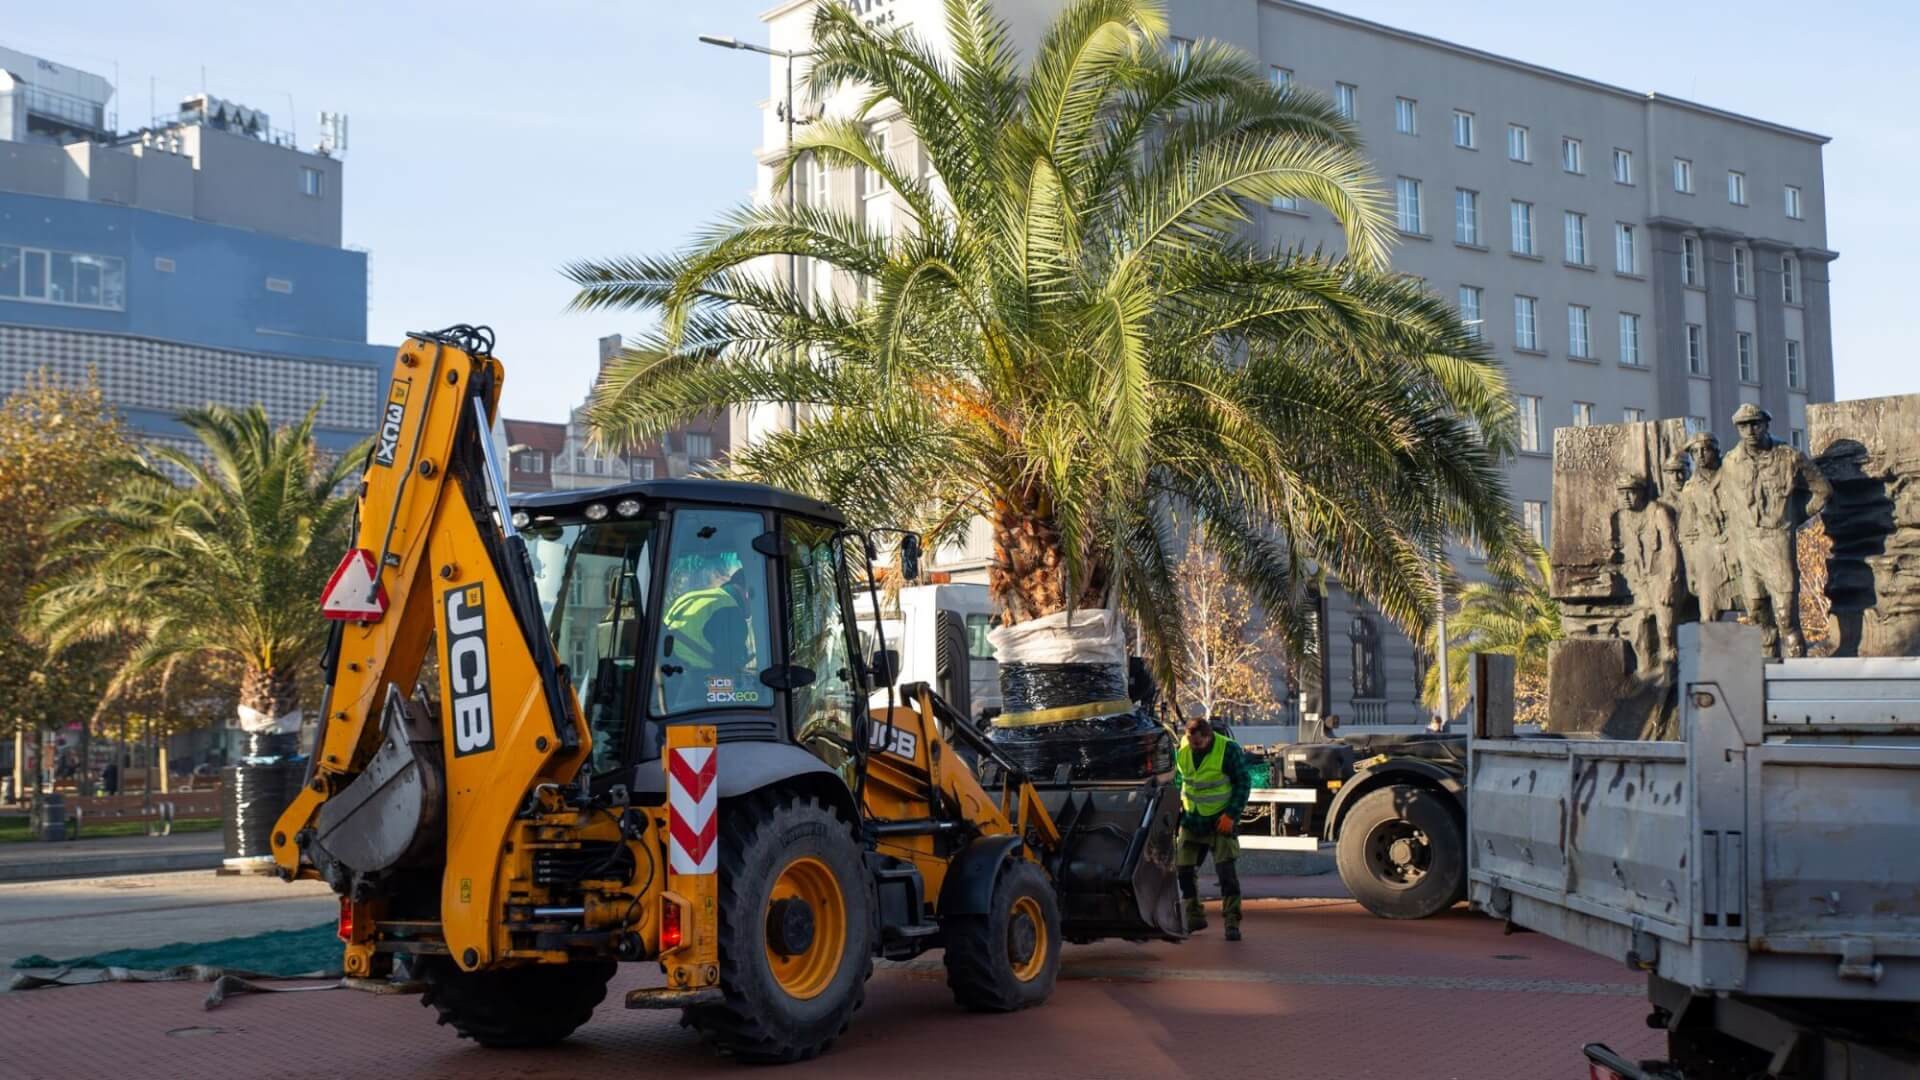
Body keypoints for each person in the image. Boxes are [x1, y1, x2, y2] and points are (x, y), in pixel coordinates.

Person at [1721, 403, 1832, 658]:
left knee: (1786, 620)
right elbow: (1730, 509)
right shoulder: (1730, 462)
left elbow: (1823, 491)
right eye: (1743, 426)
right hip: (1748, 549)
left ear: (1766, 425)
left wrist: (1794, 517)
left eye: (1755, 424)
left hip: (1778, 544)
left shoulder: (1789, 456)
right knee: (1758, 618)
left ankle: (1797, 684)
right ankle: (1764, 684)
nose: (1749, 431)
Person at [1173, 713, 1252, 941]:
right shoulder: (1184, 749)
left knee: (1226, 873)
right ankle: (1194, 917)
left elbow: (1243, 783)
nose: (1194, 747)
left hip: (1220, 818)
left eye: (1198, 743)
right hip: (1193, 818)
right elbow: (1179, 781)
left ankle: (1232, 922)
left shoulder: (1228, 750)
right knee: (1184, 870)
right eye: (1191, 741)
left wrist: (1231, 815)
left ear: (1208, 736)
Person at [1611, 472, 1683, 670]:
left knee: (1666, 633)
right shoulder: (1621, 518)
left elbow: (1671, 548)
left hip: (1662, 578)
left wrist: (1669, 583)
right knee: (1638, 630)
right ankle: (1647, 674)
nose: (1626, 497)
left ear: (1641, 493)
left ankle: (1670, 680)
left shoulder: (1658, 512)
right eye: (1622, 493)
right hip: (1640, 582)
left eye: (1631, 492)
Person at [1675, 435, 1740, 621]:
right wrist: (1692, 570)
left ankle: (1763, 648)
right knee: (1709, 613)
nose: (1700, 455)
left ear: (1716, 451)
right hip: (1709, 557)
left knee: (1758, 607)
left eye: (1705, 449)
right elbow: (1688, 535)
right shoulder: (1690, 489)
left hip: (1738, 550)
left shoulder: (1733, 476)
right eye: (1695, 452)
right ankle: (1716, 649)